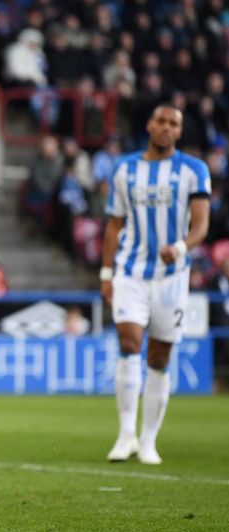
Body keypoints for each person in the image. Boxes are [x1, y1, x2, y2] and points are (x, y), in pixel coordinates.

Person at [101, 104, 210, 465]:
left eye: (173, 123)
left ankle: (148, 440)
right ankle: (125, 435)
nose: (165, 127)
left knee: (159, 357)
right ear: (149, 125)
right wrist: (105, 273)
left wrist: (180, 247)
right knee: (128, 342)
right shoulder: (125, 168)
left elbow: (200, 225)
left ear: (179, 132)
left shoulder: (194, 170)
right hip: (130, 271)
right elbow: (114, 225)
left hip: (171, 277)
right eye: (161, 121)